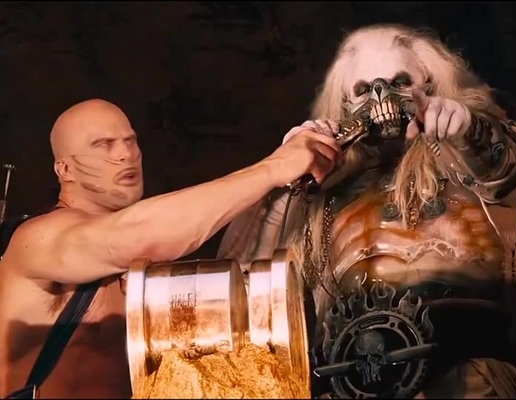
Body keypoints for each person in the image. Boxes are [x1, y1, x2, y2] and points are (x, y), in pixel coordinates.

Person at [218, 23, 516, 398]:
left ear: (431, 87)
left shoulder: (467, 153)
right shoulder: (320, 193)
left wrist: (465, 126)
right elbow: (241, 286)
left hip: (468, 379)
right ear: (344, 105)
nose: (381, 97)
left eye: (400, 82)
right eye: (364, 89)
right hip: (352, 382)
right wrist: (285, 175)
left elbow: (506, 169)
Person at [0, 98, 342, 398]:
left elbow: (242, 293)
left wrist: (288, 181)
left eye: (131, 141)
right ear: (65, 169)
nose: (126, 154)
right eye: (103, 145)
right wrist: (274, 168)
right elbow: (137, 235)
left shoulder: (144, 267)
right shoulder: (38, 241)